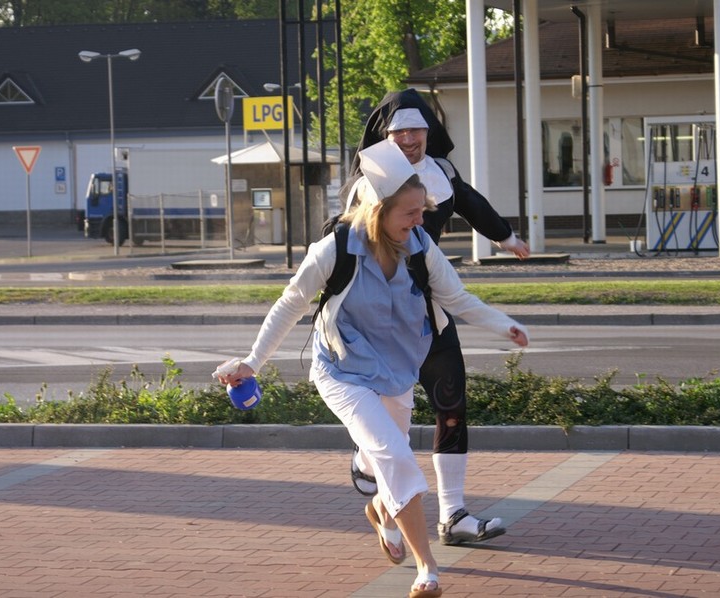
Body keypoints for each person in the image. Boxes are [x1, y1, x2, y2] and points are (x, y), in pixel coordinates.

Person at [216, 139, 529, 598]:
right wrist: (252, 362)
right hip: (342, 370)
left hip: (397, 371)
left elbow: (457, 298)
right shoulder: (335, 249)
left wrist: (505, 326)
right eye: (410, 212)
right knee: (394, 455)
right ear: (378, 211)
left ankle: (382, 509)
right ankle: (428, 569)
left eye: (422, 210)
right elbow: (291, 303)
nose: (420, 220)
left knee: (384, 456)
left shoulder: (420, 247)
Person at [346, 88, 531, 547]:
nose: (410, 139)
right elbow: (343, 243)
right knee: (391, 420)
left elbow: (470, 202)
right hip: (382, 316)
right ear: (385, 136)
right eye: (400, 132)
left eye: (417, 130)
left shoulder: (442, 172)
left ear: (429, 132)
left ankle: (453, 515)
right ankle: (372, 474)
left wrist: (506, 238)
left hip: (431, 308)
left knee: (451, 405)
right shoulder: (370, 181)